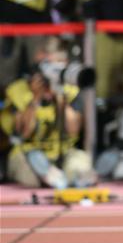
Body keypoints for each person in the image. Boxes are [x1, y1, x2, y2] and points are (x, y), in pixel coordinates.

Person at [1, 36, 95, 188]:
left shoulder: (70, 91)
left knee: (81, 164)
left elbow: (73, 130)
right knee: (31, 176)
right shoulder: (18, 90)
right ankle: (53, 179)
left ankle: (69, 180)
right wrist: (35, 100)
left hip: (62, 153)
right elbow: (21, 133)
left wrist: (60, 98)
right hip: (27, 153)